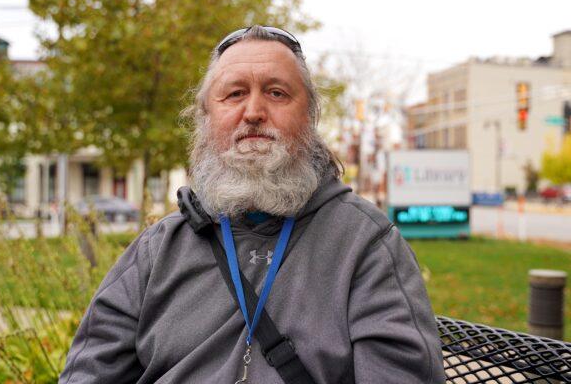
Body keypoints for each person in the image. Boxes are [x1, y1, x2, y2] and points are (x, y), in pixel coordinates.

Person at [59, 25, 445, 384]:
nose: (255, 112)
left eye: (277, 93)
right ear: (205, 118)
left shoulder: (366, 244)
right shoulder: (158, 248)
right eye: (235, 94)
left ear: (309, 119)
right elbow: (88, 371)